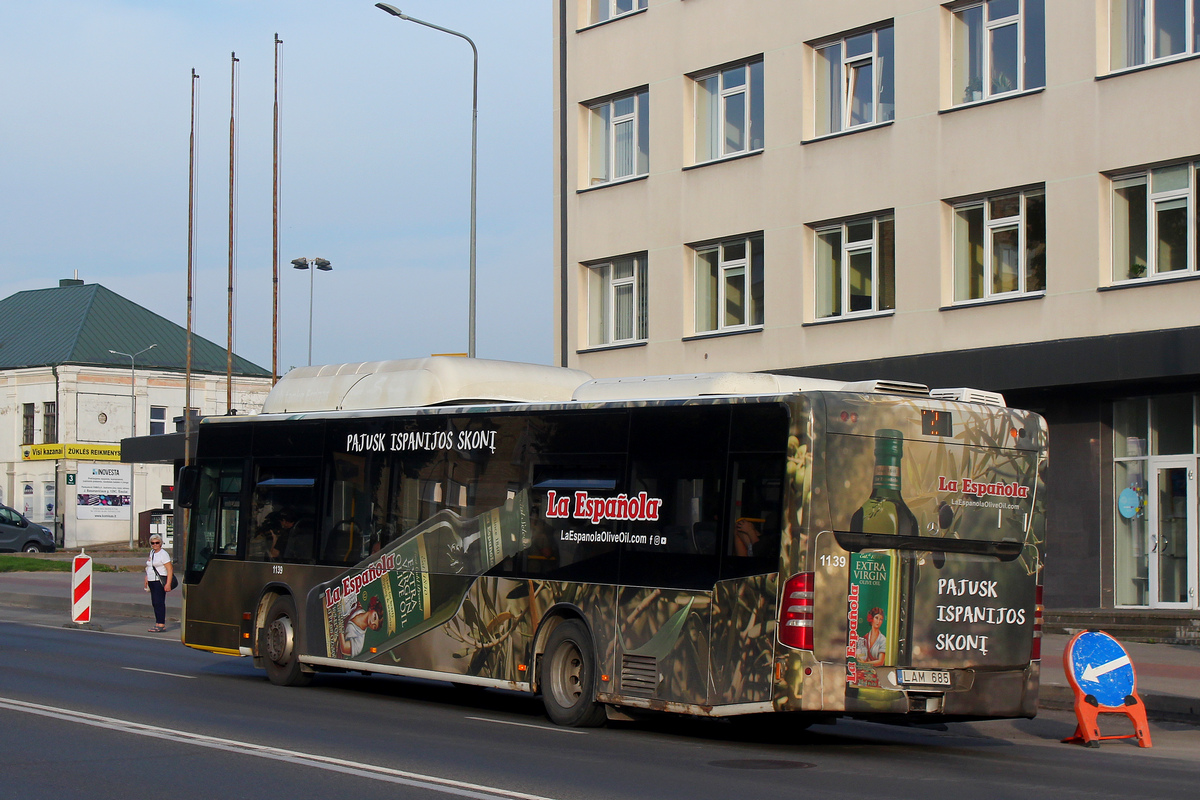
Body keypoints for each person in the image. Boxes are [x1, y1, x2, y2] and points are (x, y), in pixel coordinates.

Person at [143, 535, 173, 632]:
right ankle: (157, 623)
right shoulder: (152, 552)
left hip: (159, 581)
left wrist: (168, 584)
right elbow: (150, 566)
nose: (155, 545)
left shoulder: (163, 554)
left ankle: (161, 624)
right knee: (155, 602)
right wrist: (147, 577)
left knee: (159, 602)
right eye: (153, 543)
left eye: (157, 543)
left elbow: (170, 569)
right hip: (152, 580)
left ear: (160, 543)